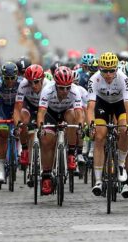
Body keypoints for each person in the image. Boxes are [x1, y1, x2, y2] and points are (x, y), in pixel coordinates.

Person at [85, 52, 128, 198]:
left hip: (119, 105)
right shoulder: (94, 79)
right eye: (105, 70)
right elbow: (90, 107)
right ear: (100, 69)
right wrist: (91, 125)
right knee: (100, 137)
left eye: (111, 70)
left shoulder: (123, 78)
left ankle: (120, 166)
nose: (108, 74)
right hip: (102, 105)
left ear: (116, 69)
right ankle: (99, 180)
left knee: (125, 130)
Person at [34, 66, 82, 195]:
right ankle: (46, 176)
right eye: (61, 88)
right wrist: (41, 128)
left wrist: (81, 126)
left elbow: (79, 112)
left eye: (68, 87)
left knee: (72, 116)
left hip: (66, 112)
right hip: (51, 114)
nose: (65, 91)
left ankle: (71, 152)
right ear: (56, 85)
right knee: (47, 141)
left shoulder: (75, 90)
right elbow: (41, 113)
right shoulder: (47, 90)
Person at [0, 62, 20, 183]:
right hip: (3, 109)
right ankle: (2, 170)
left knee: (20, 128)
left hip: (16, 107)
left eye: (12, 78)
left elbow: (22, 103)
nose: (9, 81)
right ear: (2, 77)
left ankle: (20, 152)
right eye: (6, 78)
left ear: (16, 76)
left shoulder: (21, 83)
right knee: (2, 135)